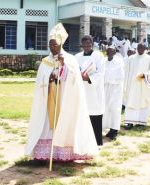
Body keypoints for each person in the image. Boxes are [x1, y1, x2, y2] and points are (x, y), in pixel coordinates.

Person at [25, 23, 98, 162]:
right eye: (50, 45)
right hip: (48, 100)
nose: (52, 48)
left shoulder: (70, 59)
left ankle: (64, 153)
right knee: (46, 124)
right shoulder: (45, 62)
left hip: (64, 100)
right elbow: (40, 81)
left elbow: (74, 80)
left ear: (61, 45)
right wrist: (49, 78)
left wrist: (63, 66)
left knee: (64, 123)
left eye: (55, 45)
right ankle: (45, 154)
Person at [75, 35, 105, 146]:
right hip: (82, 89)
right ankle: (84, 142)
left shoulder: (99, 56)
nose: (86, 47)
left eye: (88, 44)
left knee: (95, 115)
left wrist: (89, 78)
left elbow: (101, 72)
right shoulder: (77, 56)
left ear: (92, 44)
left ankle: (97, 142)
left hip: (94, 90)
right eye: (84, 45)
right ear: (81, 45)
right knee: (83, 116)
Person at [123, 43, 150, 129]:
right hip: (132, 85)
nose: (140, 50)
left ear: (145, 49)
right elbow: (126, 71)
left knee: (143, 103)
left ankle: (141, 122)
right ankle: (129, 122)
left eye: (142, 48)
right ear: (137, 48)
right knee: (131, 102)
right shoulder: (131, 58)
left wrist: (145, 75)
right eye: (138, 48)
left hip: (144, 85)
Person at [103, 45, 124, 140]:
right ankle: (108, 129)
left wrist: (109, 80)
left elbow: (120, 76)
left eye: (111, 52)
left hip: (115, 89)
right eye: (107, 52)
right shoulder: (104, 61)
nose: (109, 53)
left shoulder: (119, 62)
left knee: (115, 109)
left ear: (115, 53)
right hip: (105, 88)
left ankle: (114, 130)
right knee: (106, 108)